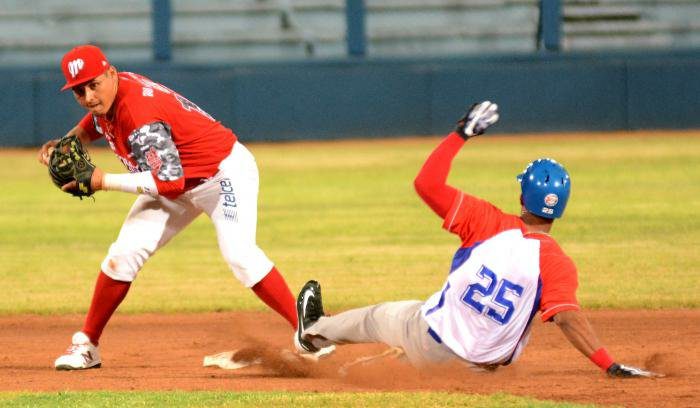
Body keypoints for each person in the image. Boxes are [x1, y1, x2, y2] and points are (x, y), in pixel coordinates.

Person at [294, 101, 659, 378]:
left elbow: (426, 184)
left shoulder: (487, 221)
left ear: (521, 198)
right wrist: (609, 365)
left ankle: (313, 334)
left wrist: (461, 134)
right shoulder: (557, 263)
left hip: (430, 338)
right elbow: (568, 318)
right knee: (407, 366)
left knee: (379, 318)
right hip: (478, 370)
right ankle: (361, 371)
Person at [39, 44, 312, 370]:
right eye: (78, 91)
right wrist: (70, 140)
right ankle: (86, 345)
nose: (88, 96)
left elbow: (170, 184)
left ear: (111, 74)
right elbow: (97, 120)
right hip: (177, 177)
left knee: (240, 254)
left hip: (221, 174)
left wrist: (102, 180)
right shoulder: (114, 91)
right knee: (124, 253)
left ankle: (311, 332)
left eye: (93, 84)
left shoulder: (140, 115)